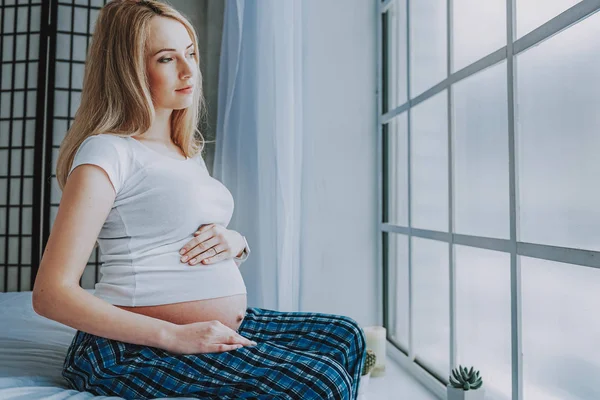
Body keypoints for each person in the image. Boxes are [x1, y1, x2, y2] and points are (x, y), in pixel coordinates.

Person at [31, 1, 366, 399]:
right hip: (131, 347)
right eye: (167, 59)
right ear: (130, 70)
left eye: (190, 53)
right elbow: (51, 292)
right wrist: (173, 335)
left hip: (212, 326)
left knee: (345, 336)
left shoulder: (184, 149)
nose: (189, 71)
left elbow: (180, 231)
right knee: (320, 383)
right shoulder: (107, 152)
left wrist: (237, 243)